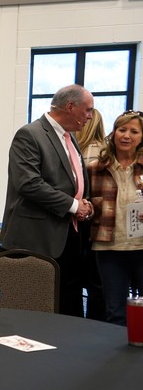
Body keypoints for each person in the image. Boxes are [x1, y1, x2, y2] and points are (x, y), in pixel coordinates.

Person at [0, 84, 95, 317]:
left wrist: (86, 203)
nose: (90, 116)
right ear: (70, 107)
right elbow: (28, 183)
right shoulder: (30, 134)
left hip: (70, 234)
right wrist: (73, 206)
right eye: (88, 110)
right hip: (37, 236)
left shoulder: (69, 137)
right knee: (37, 310)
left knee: (68, 304)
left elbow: (75, 179)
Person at [86, 110, 143, 326]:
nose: (126, 135)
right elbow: (85, 204)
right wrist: (88, 209)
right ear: (114, 133)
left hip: (141, 246)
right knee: (115, 312)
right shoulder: (95, 168)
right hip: (109, 248)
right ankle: (120, 358)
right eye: (122, 129)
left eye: (134, 131)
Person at [76, 109, 107, 321]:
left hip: (85, 221)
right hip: (103, 225)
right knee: (99, 284)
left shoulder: (82, 152)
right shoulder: (106, 150)